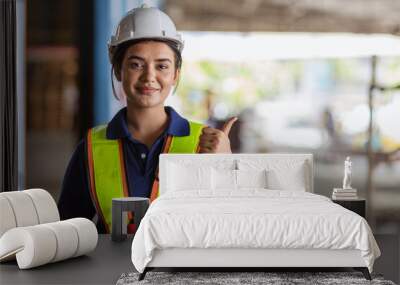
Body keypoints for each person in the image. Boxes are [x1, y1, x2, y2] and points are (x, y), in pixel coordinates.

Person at [58, 5, 237, 234]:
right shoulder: (92, 148)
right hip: (110, 269)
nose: (149, 76)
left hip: (180, 268)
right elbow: (68, 230)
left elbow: (227, 225)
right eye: (136, 64)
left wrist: (224, 166)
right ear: (118, 71)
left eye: (162, 66)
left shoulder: (205, 143)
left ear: (175, 75)